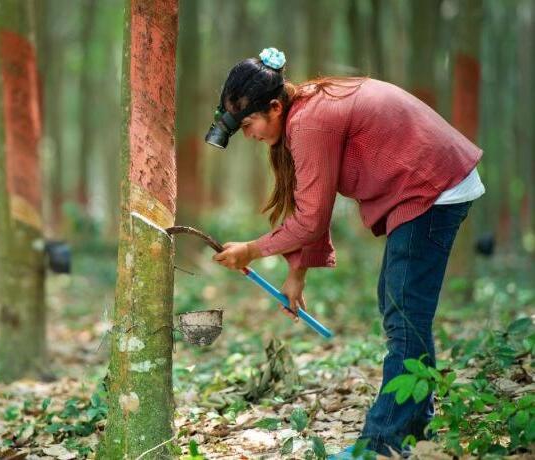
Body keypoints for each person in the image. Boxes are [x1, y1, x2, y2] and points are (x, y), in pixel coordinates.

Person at [208, 48, 485, 458]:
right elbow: (311, 204)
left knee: (403, 310)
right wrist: (297, 273)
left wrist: (251, 250)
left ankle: (382, 444)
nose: (248, 135)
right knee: (401, 309)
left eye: (249, 123)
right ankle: (415, 428)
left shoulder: (309, 122)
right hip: (433, 184)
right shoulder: (306, 112)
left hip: (433, 186)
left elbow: (312, 221)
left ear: (274, 106)